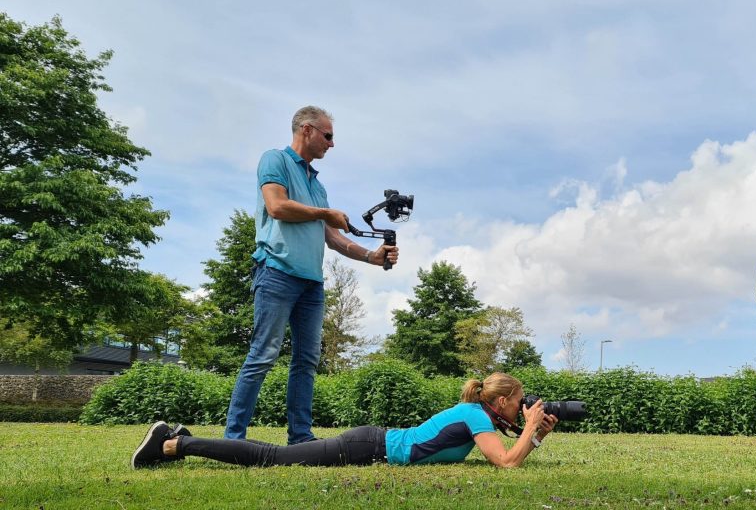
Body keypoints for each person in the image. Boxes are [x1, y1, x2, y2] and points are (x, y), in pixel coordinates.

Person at [224, 106, 399, 445]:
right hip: (275, 272)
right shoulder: (275, 160)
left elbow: (333, 238)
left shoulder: (318, 186)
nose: (332, 144)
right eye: (328, 136)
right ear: (307, 130)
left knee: (306, 361)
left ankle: (300, 437)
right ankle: (234, 439)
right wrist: (326, 213)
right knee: (263, 354)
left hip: (311, 284)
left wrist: (372, 256)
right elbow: (277, 206)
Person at [132, 373, 558, 469]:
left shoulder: (481, 417)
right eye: (520, 402)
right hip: (366, 446)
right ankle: (173, 444)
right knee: (272, 457)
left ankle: (181, 439)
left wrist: (534, 435)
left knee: (274, 455)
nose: (524, 407)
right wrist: (528, 431)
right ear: (500, 402)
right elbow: (505, 463)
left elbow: (503, 455)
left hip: (371, 444)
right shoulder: (472, 415)